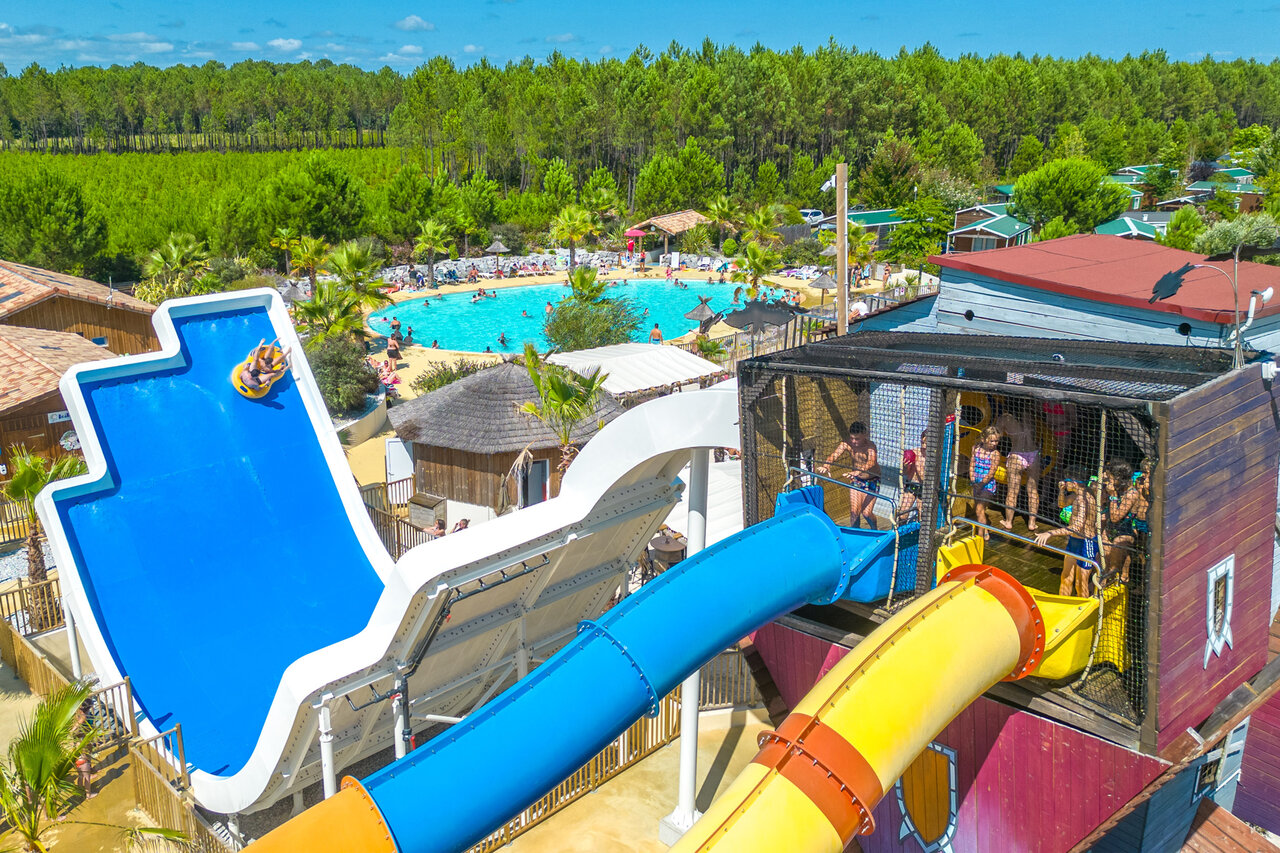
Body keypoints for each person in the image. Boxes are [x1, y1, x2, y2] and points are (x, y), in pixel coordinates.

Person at [1036, 469, 1100, 597]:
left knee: (1080, 584)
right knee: (1066, 578)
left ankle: (1082, 612)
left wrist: (1050, 533)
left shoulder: (1084, 500)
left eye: (1066, 481)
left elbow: (1076, 527)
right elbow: (1062, 504)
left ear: (1074, 483)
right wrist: (1061, 491)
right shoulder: (1077, 495)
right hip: (1074, 541)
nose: (1064, 483)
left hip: (1086, 544)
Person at [817, 421, 881, 529]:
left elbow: (871, 462)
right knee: (854, 512)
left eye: (857, 439)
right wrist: (826, 465)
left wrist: (858, 471)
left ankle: (874, 530)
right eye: (852, 438)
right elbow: (834, 455)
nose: (854, 442)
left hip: (872, 480)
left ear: (864, 434)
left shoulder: (870, 446)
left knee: (866, 513)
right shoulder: (846, 444)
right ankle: (855, 533)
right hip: (857, 480)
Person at [995, 400, 1041, 531]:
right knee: (1033, 491)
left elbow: (996, 435)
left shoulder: (1005, 418)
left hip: (1017, 455)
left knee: (1012, 491)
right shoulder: (1029, 414)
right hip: (1033, 454)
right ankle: (1032, 523)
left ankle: (1008, 521)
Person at [1102, 460, 1142, 584]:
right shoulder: (1118, 488)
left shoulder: (1131, 494)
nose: (1109, 481)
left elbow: (1115, 517)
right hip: (1110, 531)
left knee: (1112, 570)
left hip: (1124, 534)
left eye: (1111, 478)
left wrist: (1113, 495)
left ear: (1119, 478)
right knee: (1105, 566)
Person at [968, 425, 1002, 539]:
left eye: (996, 441)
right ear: (984, 439)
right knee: (980, 510)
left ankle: (980, 537)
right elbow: (972, 464)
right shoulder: (976, 448)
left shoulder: (995, 454)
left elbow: (991, 472)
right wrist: (973, 479)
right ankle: (985, 530)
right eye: (991, 440)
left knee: (978, 510)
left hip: (987, 485)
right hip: (976, 483)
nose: (994, 443)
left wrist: (981, 484)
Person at [899, 429, 928, 521]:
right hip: (912, 484)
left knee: (922, 515)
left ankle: (919, 533)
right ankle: (900, 531)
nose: (924, 445)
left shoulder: (934, 457)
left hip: (925, 488)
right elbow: (904, 473)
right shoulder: (914, 453)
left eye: (926, 443)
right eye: (923, 442)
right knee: (902, 513)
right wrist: (905, 466)